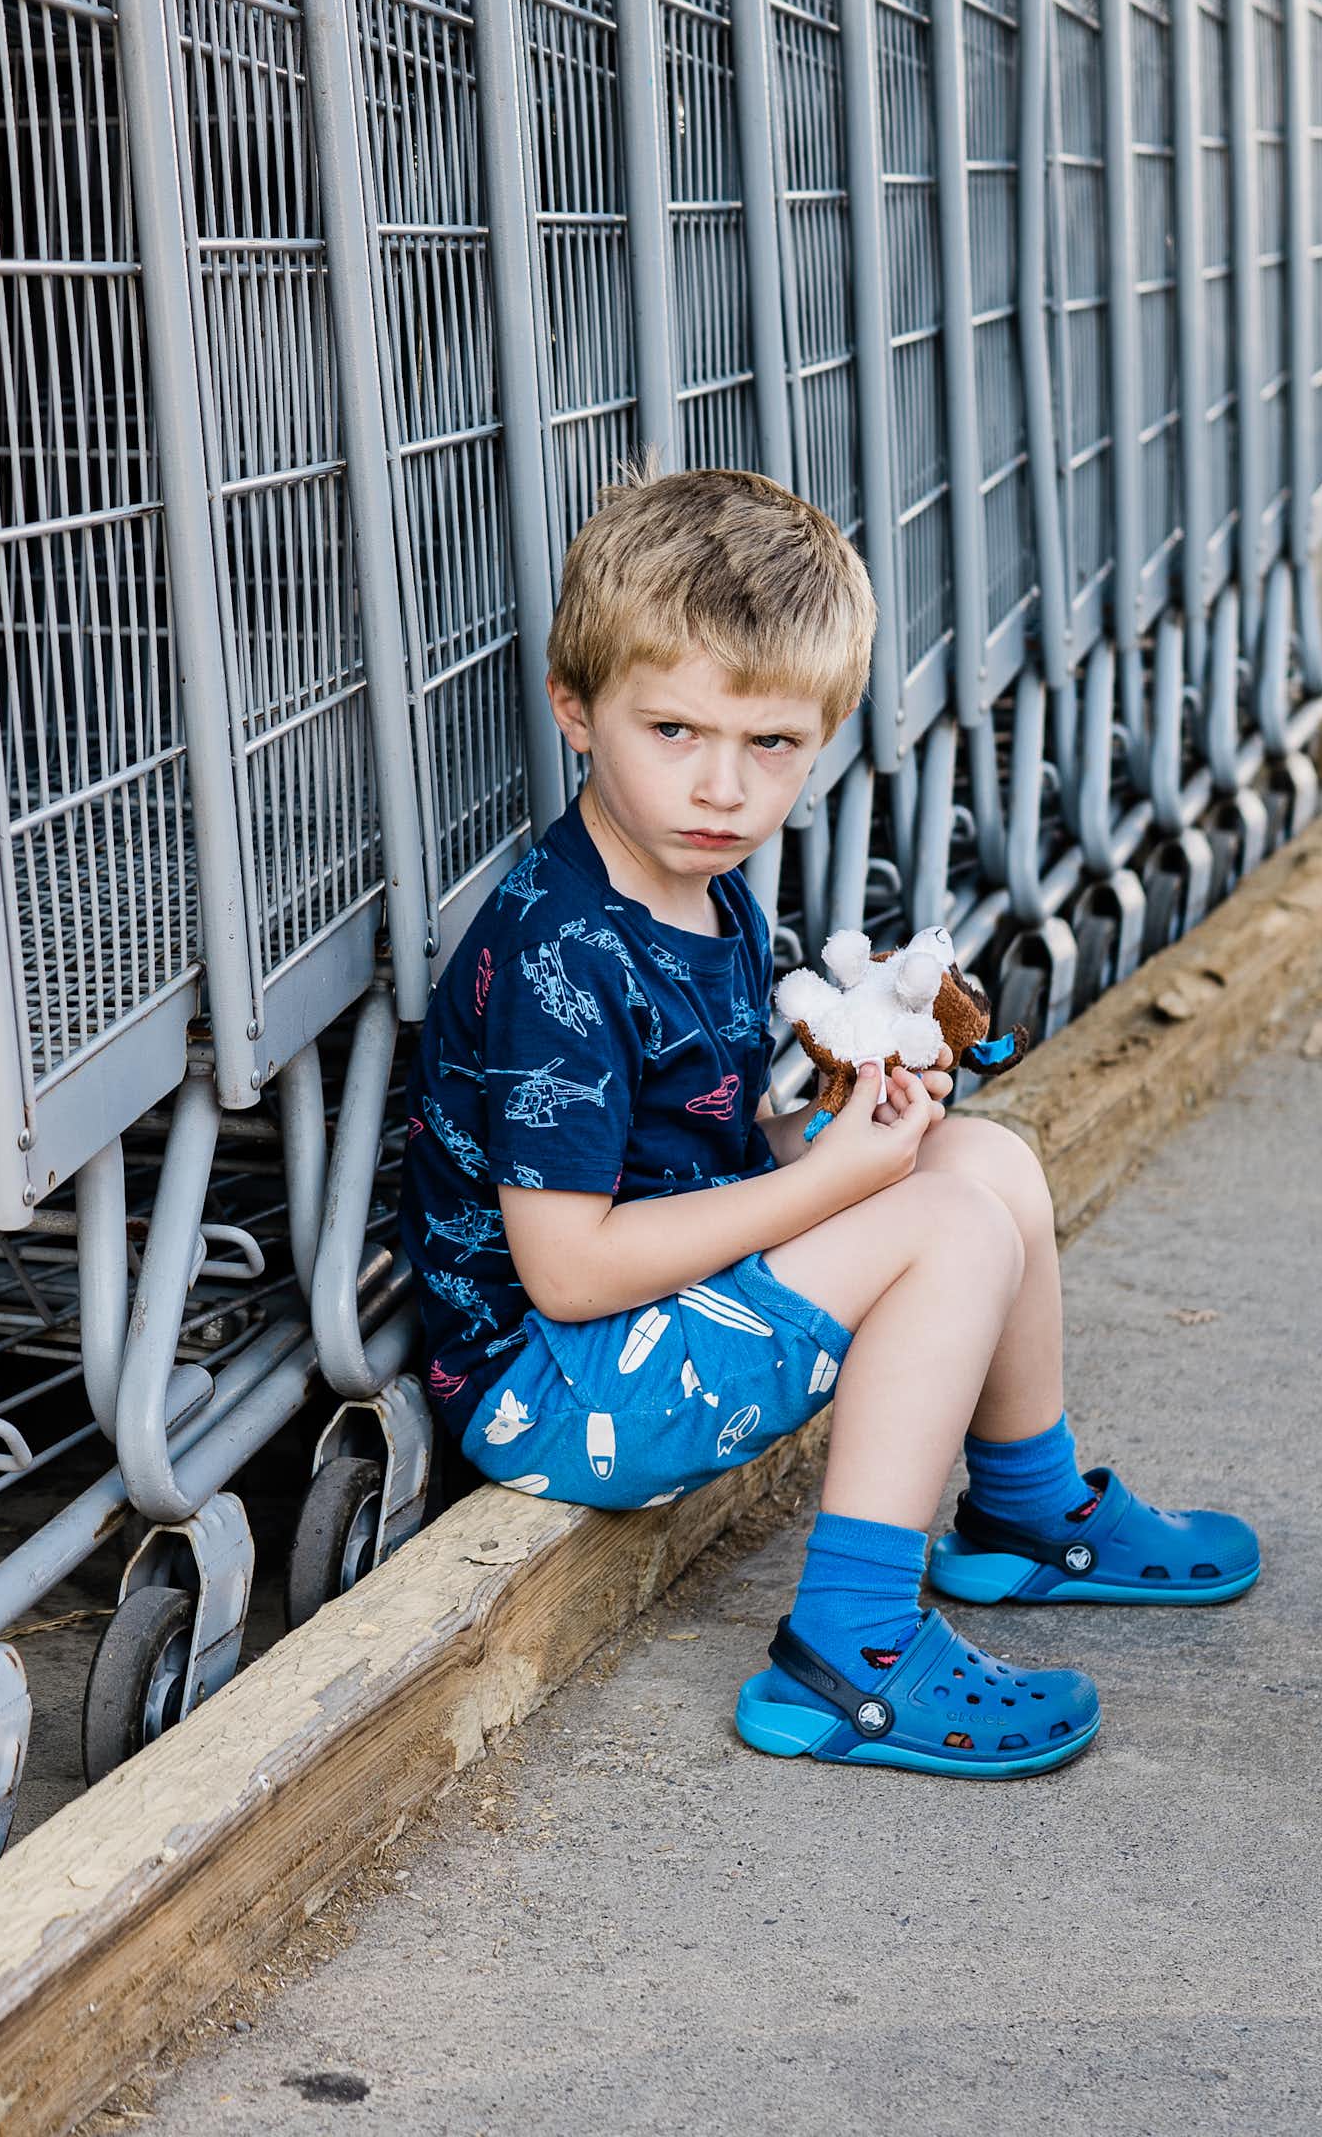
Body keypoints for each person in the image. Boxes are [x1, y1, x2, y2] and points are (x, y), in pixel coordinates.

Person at [402, 469, 1259, 1776]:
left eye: (773, 747)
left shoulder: (702, 891)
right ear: (576, 712)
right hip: (554, 1395)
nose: (724, 791)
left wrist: (857, 1137)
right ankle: (845, 1654)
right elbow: (566, 1272)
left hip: (647, 1325)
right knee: (949, 1232)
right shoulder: (558, 954)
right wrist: (843, 1184)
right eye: (674, 731)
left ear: (826, 733)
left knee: (985, 1159)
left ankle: (1027, 1514)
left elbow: (714, 1150)